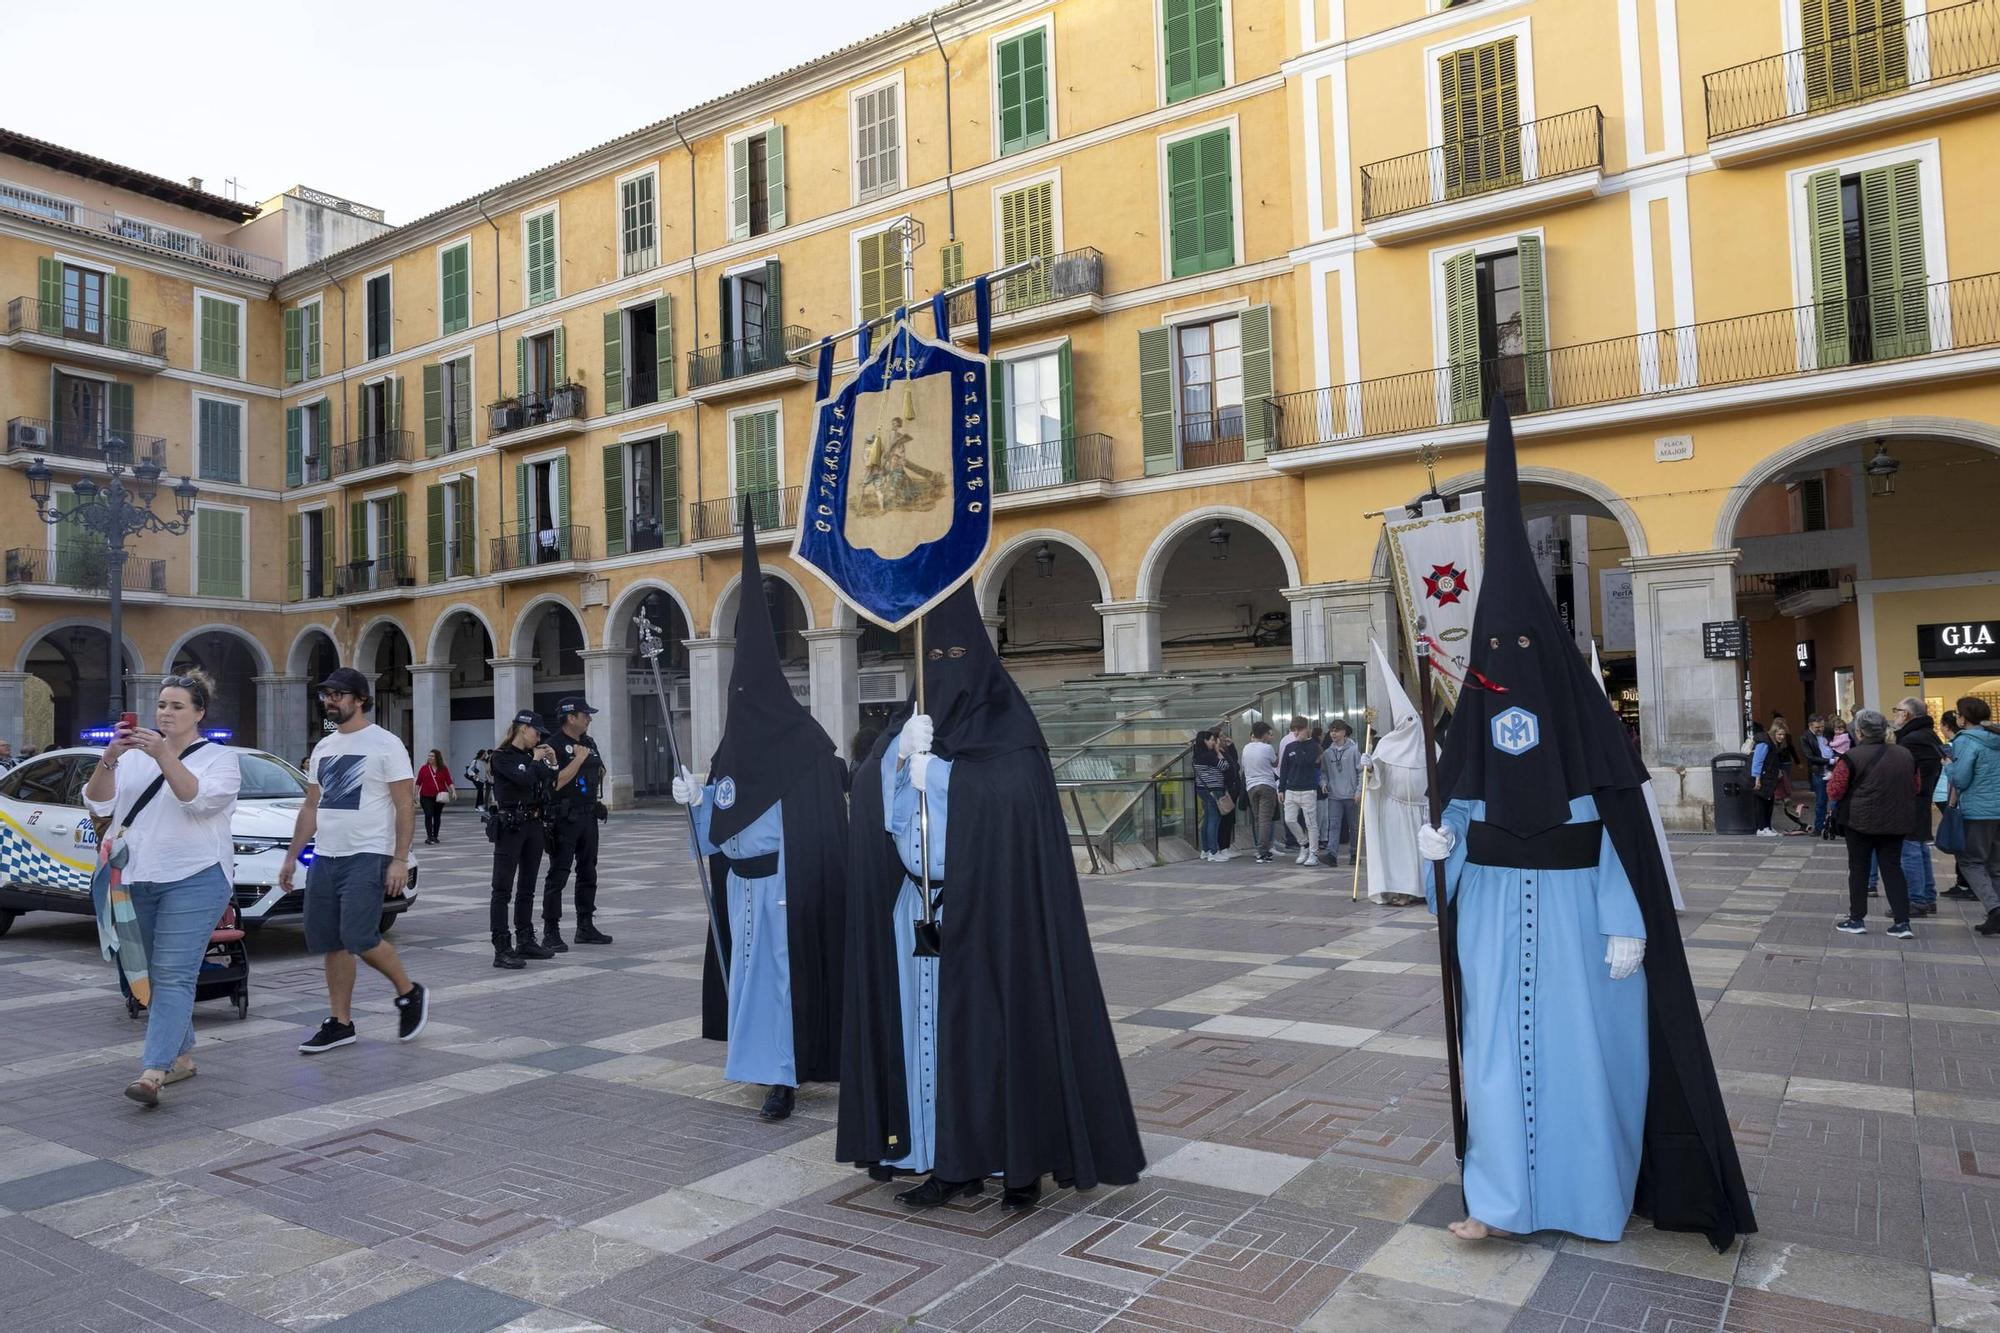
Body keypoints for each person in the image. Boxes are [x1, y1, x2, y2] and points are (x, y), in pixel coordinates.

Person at [1416, 396, 1753, 1250]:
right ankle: (1495, 1202)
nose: (1508, 675)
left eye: (1523, 656)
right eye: (1494, 662)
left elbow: (1621, 842)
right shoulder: (1471, 755)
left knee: (1590, 1074)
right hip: (1491, 920)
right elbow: (1446, 858)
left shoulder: (1592, 753)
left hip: (1588, 932)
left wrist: (1625, 920)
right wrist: (1438, 852)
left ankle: (1597, 1198)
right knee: (1493, 1069)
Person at [838, 586, 1145, 1210]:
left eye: (956, 655)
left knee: (998, 1037)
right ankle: (946, 1161)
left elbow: (1012, 802)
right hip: (919, 912)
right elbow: (875, 808)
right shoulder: (914, 729)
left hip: (996, 918)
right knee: (928, 1040)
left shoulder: (1012, 734)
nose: (944, 670)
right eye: (935, 659)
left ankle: (1018, 1162)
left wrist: (946, 777)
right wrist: (897, 757)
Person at [678, 515, 847, 1121]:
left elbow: (826, 826)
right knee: (749, 984)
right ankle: (759, 1067)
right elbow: (718, 832)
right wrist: (695, 800)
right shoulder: (731, 750)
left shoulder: (806, 747)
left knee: (782, 983)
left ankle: (786, 1075)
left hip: (786, 888)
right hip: (740, 889)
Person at [83, 670, 241, 1106]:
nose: (166, 714)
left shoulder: (219, 759)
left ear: (199, 713)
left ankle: (154, 1071)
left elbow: (197, 800)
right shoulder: (132, 755)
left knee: (173, 973)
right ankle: (183, 1056)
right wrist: (110, 757)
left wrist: (163, 755)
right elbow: (97, 803)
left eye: (177, 707)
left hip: (196, 877)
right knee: (151, 973)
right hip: (136, 876)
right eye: (161, 705)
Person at [278, 668, 429, 1053]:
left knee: (359, 937)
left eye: (338, 694)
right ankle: (341, 1022)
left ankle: (409, 992)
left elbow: (404, 804)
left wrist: (398, 859)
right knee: (331, 941)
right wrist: (292, 857)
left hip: (368, 853)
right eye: (326, 695)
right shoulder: (324, 748)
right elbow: (311, 805)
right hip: (326, 856)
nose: (330, 701)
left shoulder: (386, 743)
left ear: (360, 699)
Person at [1827, 708, 1918, 939]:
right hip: (1895, 820)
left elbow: (1835, 790)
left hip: (1860, 822)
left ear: (1859, 731)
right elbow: (1916, 786)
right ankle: (1902, 922)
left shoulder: (1852, 757)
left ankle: (1857, 919)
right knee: (1893, 868)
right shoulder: (1905, 754)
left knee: (1859, 868)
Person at [485, 712, 560, 968]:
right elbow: (525, 778)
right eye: (536, 733)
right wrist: (538, 762)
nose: (538, 738)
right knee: (502, 889)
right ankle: (502, 947)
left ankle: (525, 939)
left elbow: (550, 786)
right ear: (523, 728)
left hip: (534, 825)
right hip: (511, 826)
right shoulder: (501, 756)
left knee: (527, 886)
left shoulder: (531, 758)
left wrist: (552, 763)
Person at [1361, 638, 1430, 907]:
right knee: (1400, 855)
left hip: (1422, 811)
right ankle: (1400, 889)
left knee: (1420, 854)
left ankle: (1421, 889)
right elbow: (1375, 778)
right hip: (1395, 810)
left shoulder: (1429, 747)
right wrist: (1370, 765)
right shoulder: (1388, 744)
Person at [541, 698, 613, 950]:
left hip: (588, 815)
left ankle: (585, 926)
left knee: (588, 871)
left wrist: (593, 768)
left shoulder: (588, 742)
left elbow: (600, 769)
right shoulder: (552, 745)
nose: (589, 719)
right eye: (585, 715)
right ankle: (551, 930)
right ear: (571, 717)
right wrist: (579, 761)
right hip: (564, 818)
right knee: (558, 874)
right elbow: (556, 782)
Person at [1947, 697, 2000, 934]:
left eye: (1957, 714)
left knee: (1970, 860)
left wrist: (1948, 766)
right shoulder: (1996, 736)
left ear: (1963, 718)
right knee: (1996, 865)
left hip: (1979, 812)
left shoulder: (1966, 741)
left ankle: (1995, 909)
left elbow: (1961, 779)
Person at [1892, 698, 1945, 917]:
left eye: (1897, 711)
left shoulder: (1911, 740)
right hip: (1921, 800)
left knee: (1910, 850)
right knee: (1920, 847)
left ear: (1906, 714)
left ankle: (1917, 900)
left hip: (1911, 802)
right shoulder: (1928, 735)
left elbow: (1905, 773)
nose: (1894, 715)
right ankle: (1927, 896)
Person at [1277, 716, 1321, 866]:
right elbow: (1284, 768)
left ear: (1305, 729)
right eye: (1293, 730)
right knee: (1289, 819)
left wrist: (1300, 745)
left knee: (1310, 823)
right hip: (1291, 789)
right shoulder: (1290, 747)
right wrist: (1281, 788)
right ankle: (1304, 844)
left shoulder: (1314, 746)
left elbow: (1304, 762)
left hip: (1308, 789)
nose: (1295, 733)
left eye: (1298, 730)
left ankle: (1313, 853)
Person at [1320, 719, 1362, 867]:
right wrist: (1324, 783)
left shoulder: (1355, 750)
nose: (1333, 734)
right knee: (1334, 825)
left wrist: (1358, 791)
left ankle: (1355, 853)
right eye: (1331, 731)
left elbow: (1360, 772)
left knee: (1354, 826)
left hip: (1351, 795)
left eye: (1336, 731)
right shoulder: (1327, 753)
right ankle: (1332, 854)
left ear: (1344, 732)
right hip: (1334, 796)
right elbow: (1323, 773)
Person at [1242, 720, 1280, 864]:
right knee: (1265, 819)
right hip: (1266, 785)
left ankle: (1259, 848)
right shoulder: (1267, 748)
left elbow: (1244, 766)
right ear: (1264, 734)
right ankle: (1263, 851)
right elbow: (1275, 763)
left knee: (1257, 818)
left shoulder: (1246, 748)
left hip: (1251, 786)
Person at [1192, 731, 1231, 862]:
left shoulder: (1197, 755)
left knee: (1208, 819)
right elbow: (1225, 766)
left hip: (1203, 790)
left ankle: (1206, 849)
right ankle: (1213, 852)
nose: (1214, 742)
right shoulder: (1208, 756)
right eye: (1212, 740)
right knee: (1214, 819)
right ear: (1205, 740)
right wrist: (1218, 751)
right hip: (1213, 790)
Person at [1215, 725, 1246, 854]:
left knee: (1229, 818)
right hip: (1226, 789)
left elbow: (1234, 762)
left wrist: (1231, 746)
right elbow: (1226, 767)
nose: (1224, 738)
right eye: (1221, 736)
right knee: (1224, 819)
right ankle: (1222, 847)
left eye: (1224, 736)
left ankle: (1227, 845)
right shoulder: (1217, 754)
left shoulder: (1225, 751)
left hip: (1233, 788)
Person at [416, 748, 454, 845]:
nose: (430, 757)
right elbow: (418, 782)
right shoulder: (424, 768)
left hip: (439, 796)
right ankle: (429, 837)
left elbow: (448, 781)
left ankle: (435, 836)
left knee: (437, 816)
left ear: (437, 757)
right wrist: (415, 794)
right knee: (428, 815)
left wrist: (453, 791)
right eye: (429, 756)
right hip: (425, 796)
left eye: (432, 756)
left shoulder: (443, 768)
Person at [1806, 715, 1834, 834]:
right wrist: (1829, 761)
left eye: (1822, 726)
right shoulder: (1805, 737)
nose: (1820, 729)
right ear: (1810, 726)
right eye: (1817, 727)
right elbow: (1810, 757)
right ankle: (1819, 828)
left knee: (1835, 800)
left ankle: (1835, 827)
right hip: (1820, 772)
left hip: (1833, 770)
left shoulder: (1828, 732)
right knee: (1821, 801)